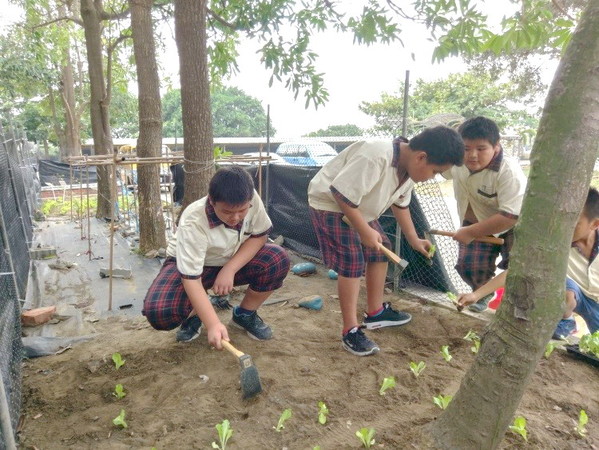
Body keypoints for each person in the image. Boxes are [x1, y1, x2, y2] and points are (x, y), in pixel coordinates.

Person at [308, 126, 465, 356]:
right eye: (435, 172)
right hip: (329, 204)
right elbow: (340, 193)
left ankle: (375, 313)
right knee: (352, 261)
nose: (432, 177)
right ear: (422, 157)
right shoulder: (376, 154)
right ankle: (350, 331)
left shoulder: (409, 170)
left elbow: (400, 204)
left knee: (382, 250)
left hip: (358, 207)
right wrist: (364, 230)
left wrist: (413, 239)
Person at [142, 166, 290, 349]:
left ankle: (245, 315)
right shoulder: (193, 220)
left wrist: (230, 269)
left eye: (243, 211)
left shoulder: (249, 197)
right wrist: (213, 323)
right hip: (192, 266)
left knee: (277, 259)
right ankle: (196, 314)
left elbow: (259, 235)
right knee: (160, 312)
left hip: (229, 258)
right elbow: (191, 278)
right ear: (212, 202)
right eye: (227, 212)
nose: (236, 217)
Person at [457, 187, 599, 340]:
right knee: (565, 289)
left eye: (574, 223)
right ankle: (565, 322)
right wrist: (476, 295)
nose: (564, 228)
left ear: (594, 224)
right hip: (572, 295)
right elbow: (518, 269)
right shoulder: (552, 243)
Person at [444, 116, 527, 312]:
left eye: (481, 149)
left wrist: (471, 232)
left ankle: (515, 309)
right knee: (468, 266)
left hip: (513, 227)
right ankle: (481, 292)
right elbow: (438, 166)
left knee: (518, 271)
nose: (472, 155)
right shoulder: (456, 163)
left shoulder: (509, 171)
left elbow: (510, 216)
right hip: (476, 225)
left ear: (496, 146)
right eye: (466, 148)